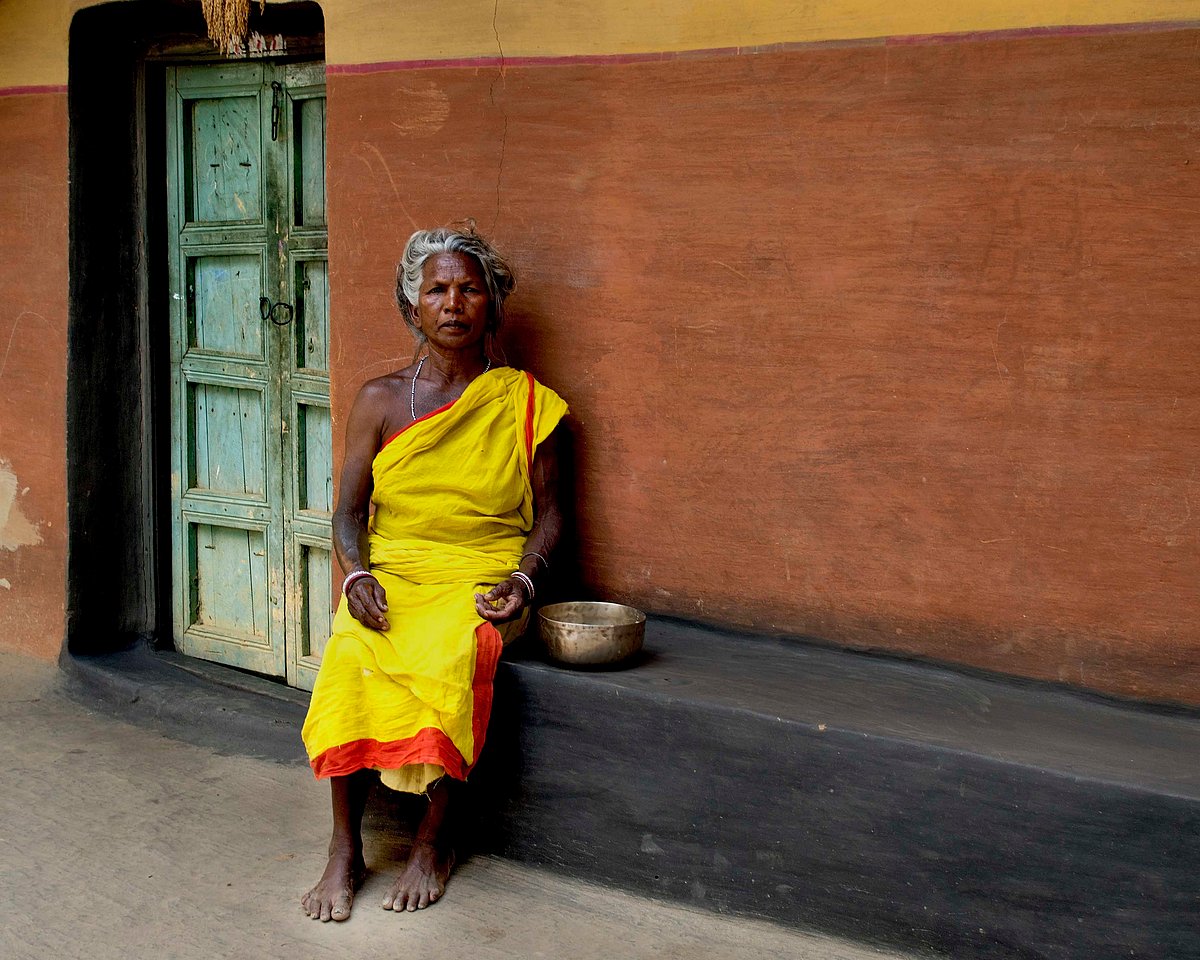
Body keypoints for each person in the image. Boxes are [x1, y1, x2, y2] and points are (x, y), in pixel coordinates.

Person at [300, 226, 567, 921]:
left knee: (457, 649)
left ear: (493, 305)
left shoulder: (527, 402)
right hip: (394, 573)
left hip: (481, 573)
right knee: (351, 654)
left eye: (469, 288)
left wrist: (526, 581)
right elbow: (347, 515)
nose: (454, 303)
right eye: (437, 290)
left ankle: (432, 842)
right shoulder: (380, 399)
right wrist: (356, 577)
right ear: (411, 307)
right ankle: (343, 848)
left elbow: (552, 517)